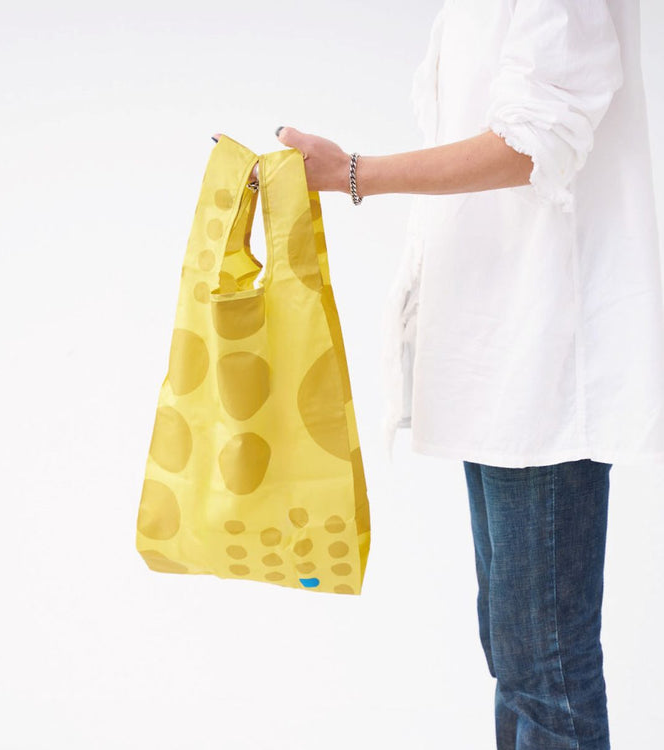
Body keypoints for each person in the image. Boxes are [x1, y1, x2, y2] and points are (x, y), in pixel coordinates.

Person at [214, 1, 663, 748]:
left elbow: (532, 142)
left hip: (547, 351)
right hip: (503, 347)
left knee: (544, 670)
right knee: (519, 656)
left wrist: (353, 173)